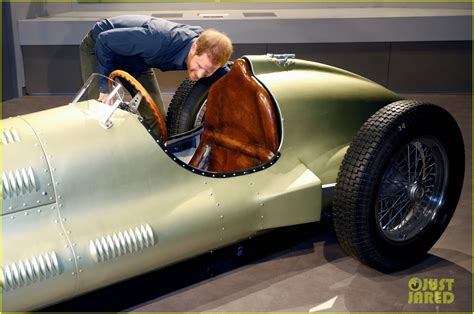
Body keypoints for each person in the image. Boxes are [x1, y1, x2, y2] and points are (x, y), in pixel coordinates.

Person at [79, 14, 233, 134]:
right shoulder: (157, 41)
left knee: (157, 121)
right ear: (193, 48)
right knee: (100, 112)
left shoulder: (208, 55)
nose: (200, 75)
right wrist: (104, 89)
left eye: (207, 71)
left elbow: (226, 73)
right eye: (199, 66)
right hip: (100, 48)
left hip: (138, 60)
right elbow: (104, 41)